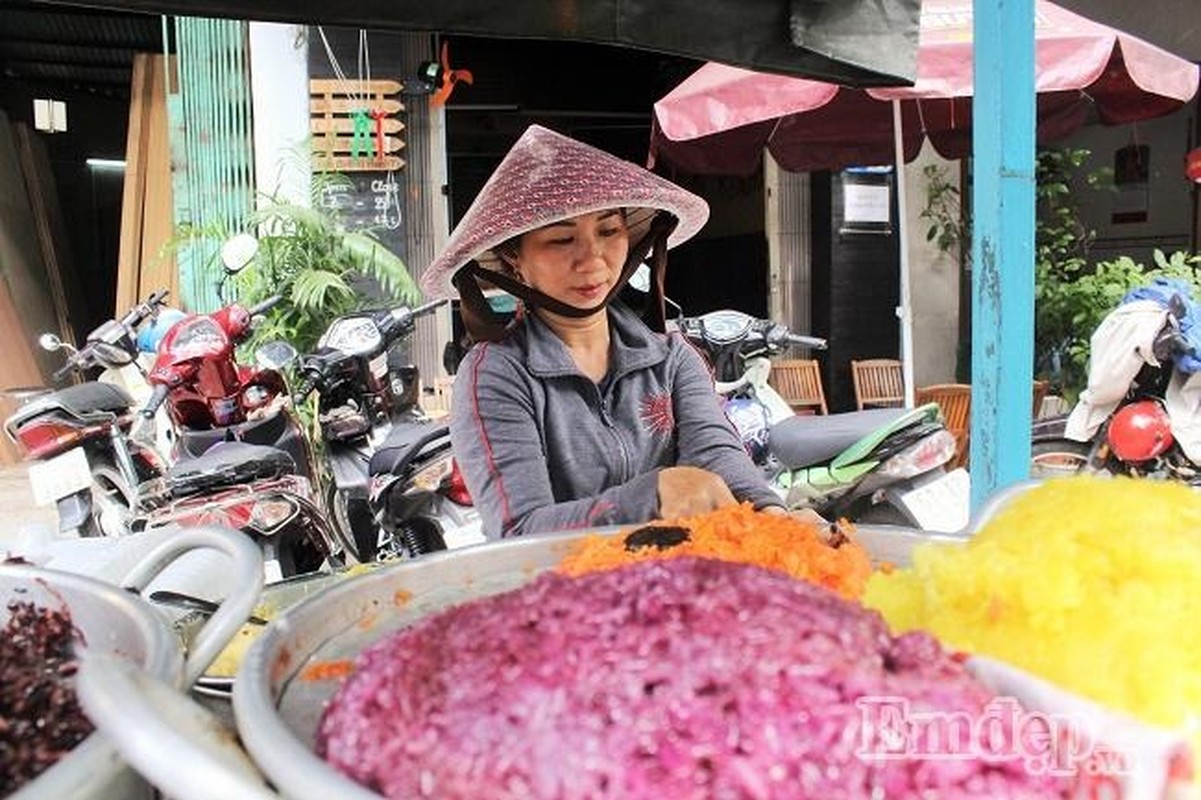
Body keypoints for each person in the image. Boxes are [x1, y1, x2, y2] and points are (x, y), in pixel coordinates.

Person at [419, 125, 787, 538]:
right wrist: (651, 497)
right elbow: (520, 529)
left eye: (609, 231)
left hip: (680, 588)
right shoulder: (496, 376)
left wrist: (775, 518)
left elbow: (717, 454)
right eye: (561, 239)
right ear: (513, 258)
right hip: (563, 596)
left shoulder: (673, 358)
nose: (592, 259)